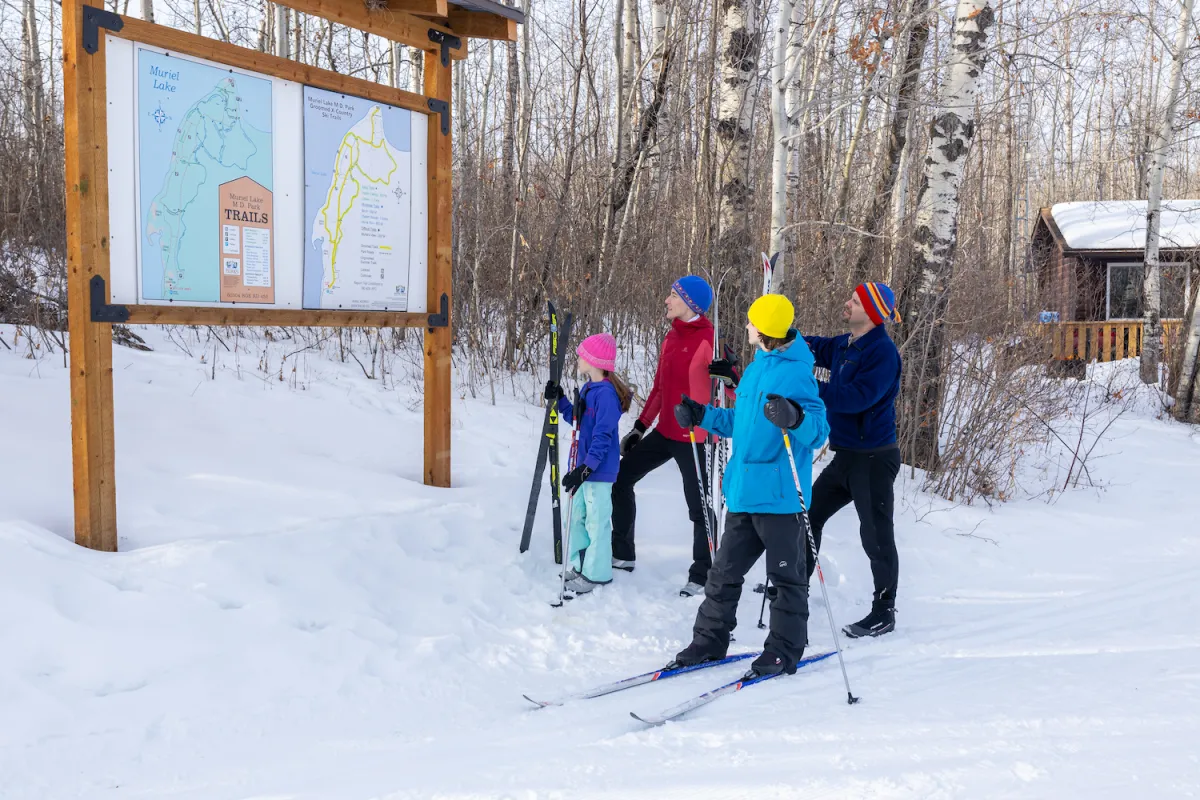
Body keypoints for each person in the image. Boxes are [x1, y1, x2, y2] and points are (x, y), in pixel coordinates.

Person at [669, 295, 830, 677]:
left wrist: (795, 417)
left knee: (787, 579)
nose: (747, 328)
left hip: (779, 500)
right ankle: (709, 640)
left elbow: (819, 431)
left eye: (751, 322)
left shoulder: (797, 373)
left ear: (766, 330)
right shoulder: (758, 367)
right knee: (722, 573)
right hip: (742, 494)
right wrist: (701, 414)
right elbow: (738, 422)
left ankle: (784, 650)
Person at [803, 281, 903, 638]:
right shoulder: (847, 344)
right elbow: (813, 347)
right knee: (810, 516)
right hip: (847, 456)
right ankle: (794, 587)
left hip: (874, 458)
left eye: (855, 300)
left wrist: (807, 388)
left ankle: (884, 611)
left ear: (872, 312)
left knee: (875, 535)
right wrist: (782, 336)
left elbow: (855, 398)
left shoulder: (882, 353)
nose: (847, 302)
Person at [611, 276, 718, 597]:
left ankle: (703, 573)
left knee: (698, 506)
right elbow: (659, 388)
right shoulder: (671, 338)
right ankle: (623, 554)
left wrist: (729, 380)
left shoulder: (710, 339)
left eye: (673, 295)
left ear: (690, 303)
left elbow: (731, 388)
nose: (667, 300)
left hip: (695, 437)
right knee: (622, 478)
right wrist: (640, 427)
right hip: (666, 431)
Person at [545, 333, 633, 596]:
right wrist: (560, 399)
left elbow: (602, 436)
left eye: (581, 355)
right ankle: (580, 564)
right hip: (583, 468)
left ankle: (597, 573)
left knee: (596, 522)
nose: (578, 359)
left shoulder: (606, 394)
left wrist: (586, 469)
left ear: (594, 361)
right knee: (577, 517)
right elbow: (581, 423)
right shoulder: (588, 389)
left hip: (598, 471)